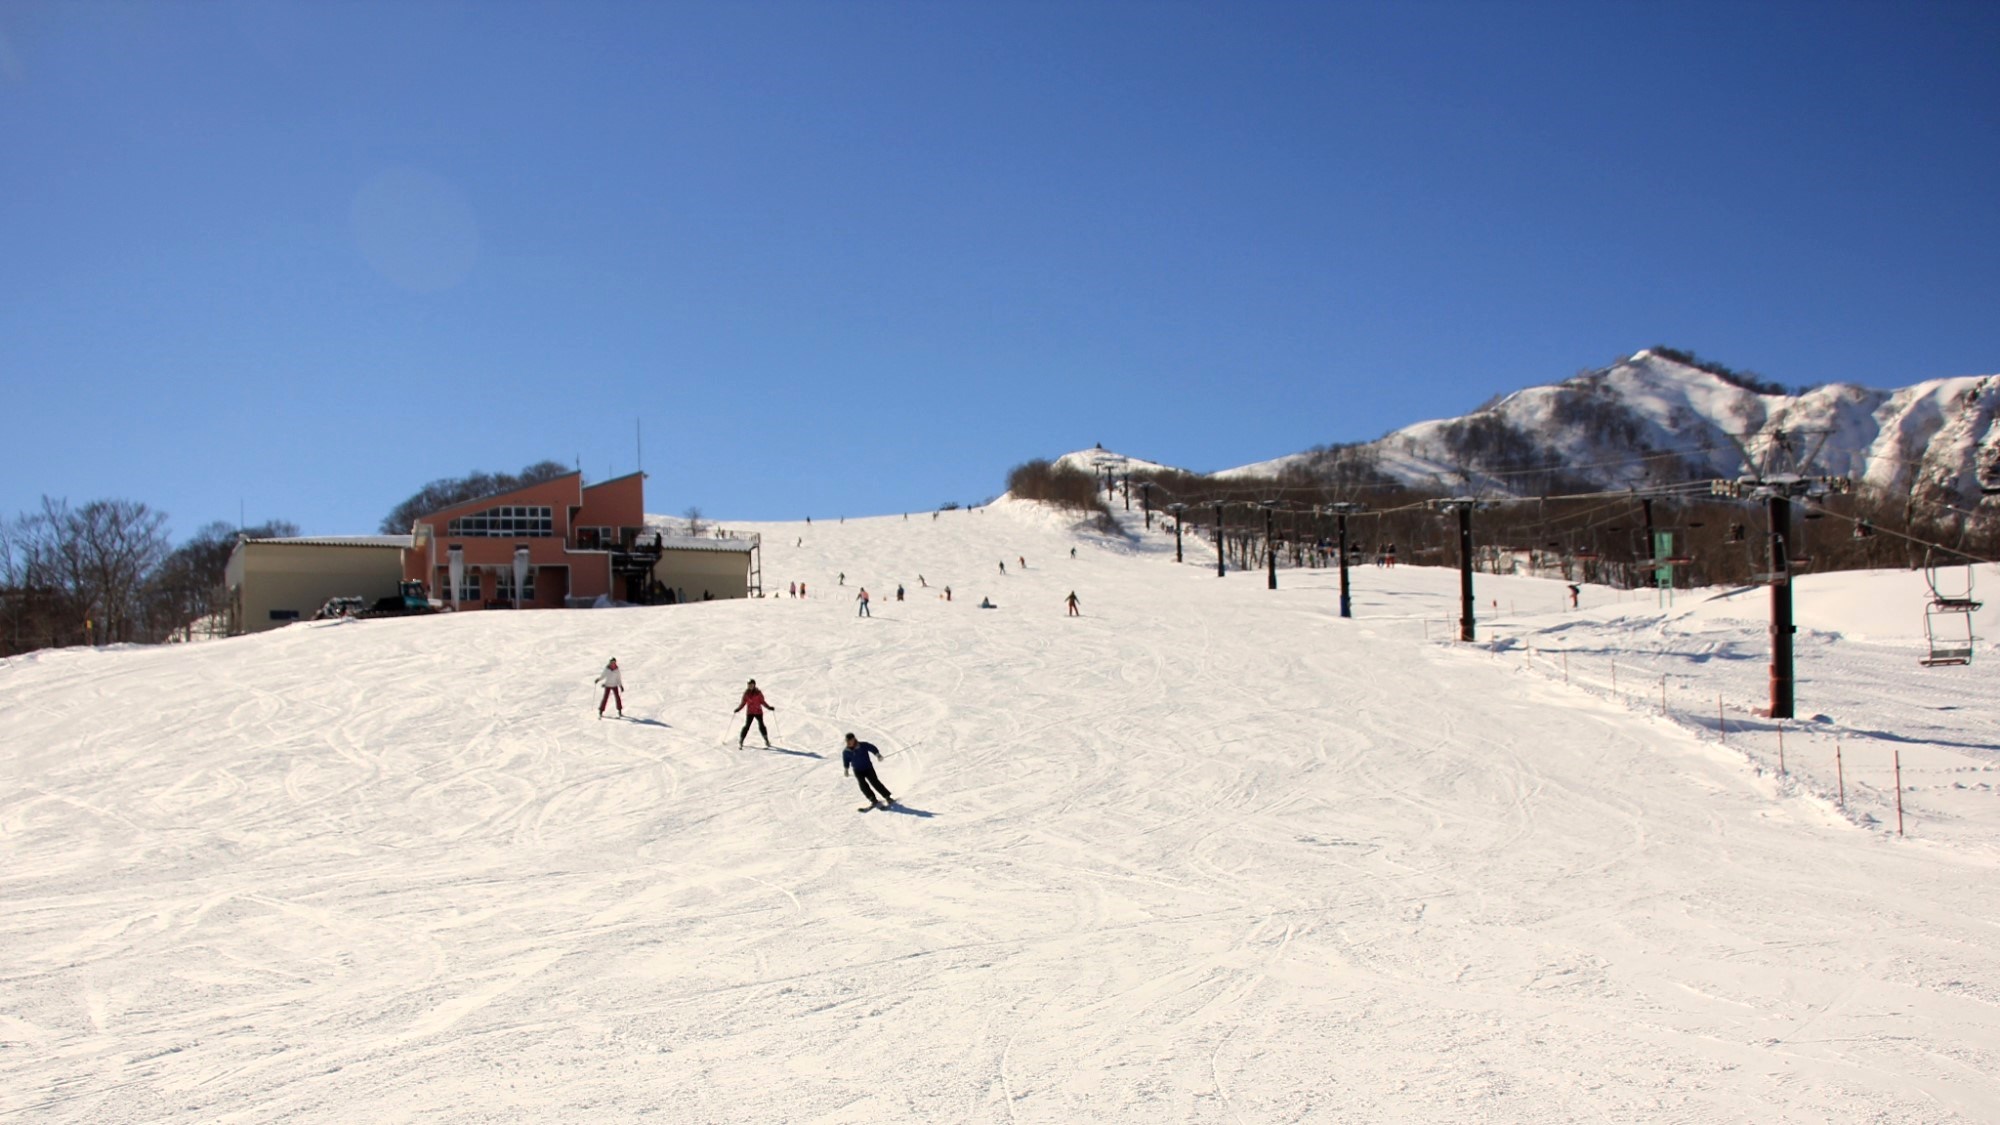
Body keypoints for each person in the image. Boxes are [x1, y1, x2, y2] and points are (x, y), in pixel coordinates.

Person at [843, 733, 894, 808]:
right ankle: (873, 799)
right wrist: (846, 769)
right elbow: (846, 760)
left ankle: (887, 797)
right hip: (857, 770)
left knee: (875, 782)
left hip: (868, 768)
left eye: (850, 740)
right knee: (862, 785)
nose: (848, 742)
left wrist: (877, 755)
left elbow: (872, 748)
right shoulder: (846, 751)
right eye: (847, 741)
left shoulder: (862, 745)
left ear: (854, 739)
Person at [735, 679, 776, 748]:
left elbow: (762, 701)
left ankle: (766, 740)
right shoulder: (746, 693)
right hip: (750, 712)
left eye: (751, 685)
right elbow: (743, 703)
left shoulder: (758, 693)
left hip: (758, 711)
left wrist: (768, 707)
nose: (750, 686)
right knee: (747, 726)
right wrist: (738, 709)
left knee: (761, 725)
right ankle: (741, 740)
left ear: (754, 685)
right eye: (749, 685)